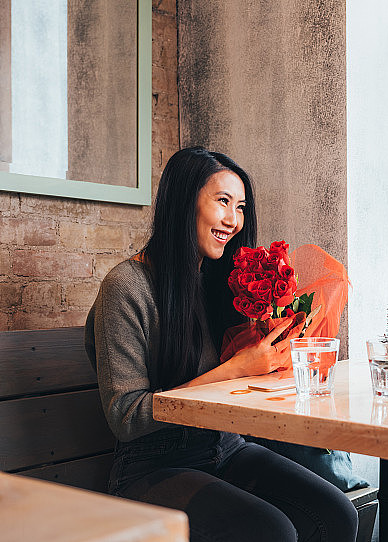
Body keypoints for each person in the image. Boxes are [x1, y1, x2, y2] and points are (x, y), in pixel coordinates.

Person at [85, 147, 358, 542]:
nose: (233, 220)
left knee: (338, 513)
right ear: (184, 202)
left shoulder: (219, 282)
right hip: (153, 465)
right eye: (223, 201)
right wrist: (236, 369)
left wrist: (279, 350)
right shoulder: (126, 287)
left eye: (241, 206)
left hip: (227, 447)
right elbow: (126, 417)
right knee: (272, 531)